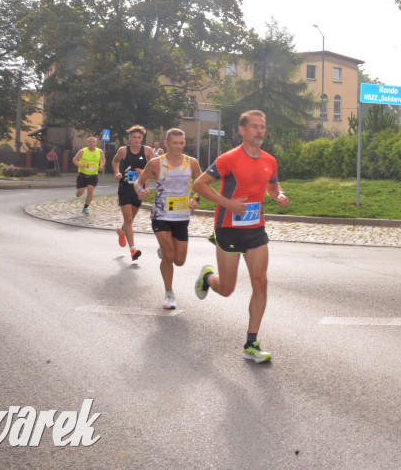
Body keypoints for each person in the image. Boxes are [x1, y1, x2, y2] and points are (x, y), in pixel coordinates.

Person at [192, 110, 289, 363]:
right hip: (228, 227)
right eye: (255, 127)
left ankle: (251, 343)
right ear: (243, 130)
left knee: (261, 281)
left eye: (263, 127)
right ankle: (207, 277)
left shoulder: (270, 160)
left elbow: (273, 186)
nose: (260, 131)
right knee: (226, 289)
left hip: (256, 229)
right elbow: (199, 185)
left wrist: (278, 196)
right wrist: (228, 203)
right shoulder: (229, 159)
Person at [135, 128, 201, 310]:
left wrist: (195, 199)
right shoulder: (156, 163)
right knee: (170, 256)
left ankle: (164, 252)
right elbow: (138, 181)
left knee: (179, 261)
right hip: (161, 215)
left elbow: (201, 184)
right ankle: (169, 294)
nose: (179, 146)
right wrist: (140, 191)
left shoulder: (192, 163)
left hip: (181, 217)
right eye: (175, 143)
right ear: (167, 144)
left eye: (182, 143)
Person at [112, 125, 155, 261]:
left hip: (139, 190)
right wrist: (117, 172)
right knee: (129, 219)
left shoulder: (147, 151)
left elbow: (155, 168)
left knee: (130, 219)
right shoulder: (123, 150)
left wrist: (144, 173)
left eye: (139, 138)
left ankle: (121, 230)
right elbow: (115, 161)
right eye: (134, 137)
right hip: (124, 188)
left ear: (142, 138)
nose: (136, 140)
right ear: (129, 138)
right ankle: (133, 250)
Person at [72, 137, 104, 214]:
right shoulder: (82, 151)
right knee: (81, 192)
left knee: (90, 190)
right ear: (87, 143)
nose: (92, 144)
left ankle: (85, 208)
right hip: (83, 175)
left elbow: (103, 160)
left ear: (96, 143)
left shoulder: (99, 151)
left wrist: (101, 165)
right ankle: (78, 193)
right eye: (90, 142)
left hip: (93, 175)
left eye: (93, 142)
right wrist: (80, 165)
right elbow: (75, 159)